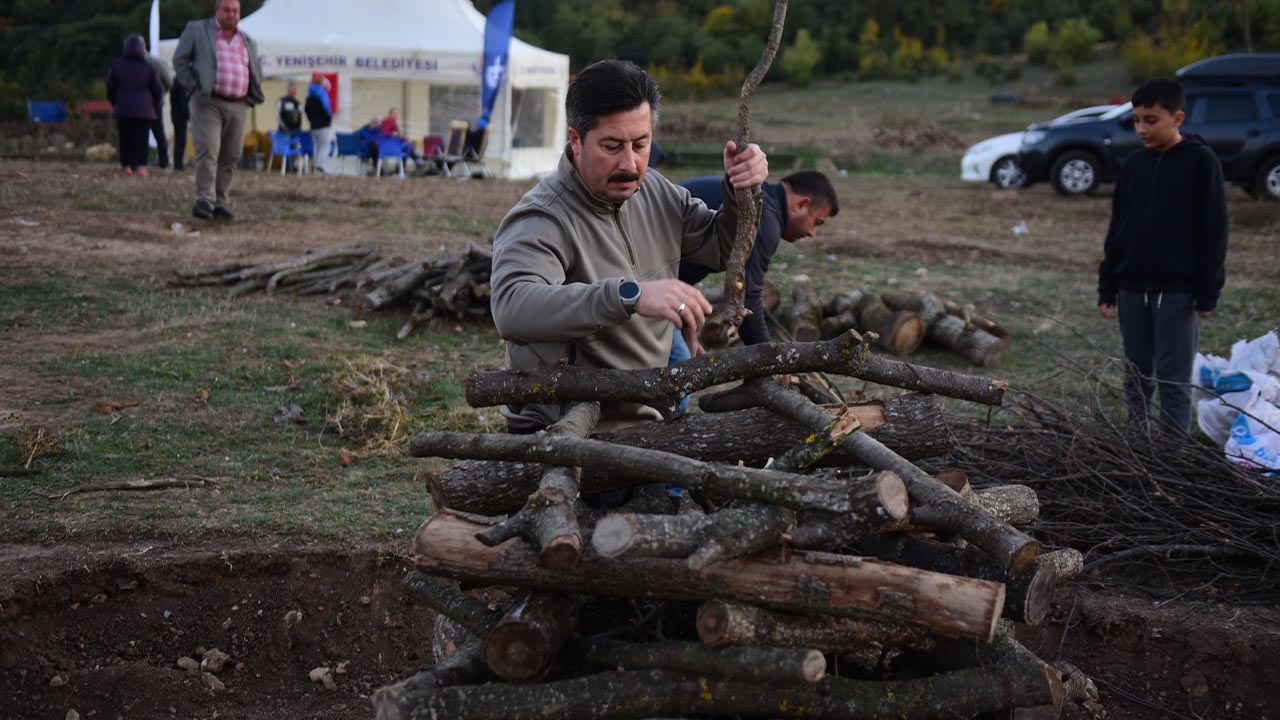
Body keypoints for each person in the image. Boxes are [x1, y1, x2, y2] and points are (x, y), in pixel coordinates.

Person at [489, 59, 768, 435]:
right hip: (569, 432)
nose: (630, 163)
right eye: (612, 146)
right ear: (575, 139)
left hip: (651, 419)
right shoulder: (544, 217)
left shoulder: (655, 191)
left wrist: (742, 191)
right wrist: (629, 296)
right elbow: (512, 309)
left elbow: (721, 248)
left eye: (641, 144)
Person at [1097, 77, 1228, 435]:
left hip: (1178, 292)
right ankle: (1138, 452)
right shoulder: (1134, 165)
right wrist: (1108, 285)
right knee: (1137, 379)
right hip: (1131, 288)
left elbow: (1214, 230)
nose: (1141, 128)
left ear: (1178, 118)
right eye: (1137, 120)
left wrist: (1207, 290)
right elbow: (1118, 227)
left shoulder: (1201, 162)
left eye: (1151, 120)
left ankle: (1173, 461)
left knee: (1173, 381)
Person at [173, 0, 264, 221]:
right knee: (209, 149)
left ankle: (221, 203)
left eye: (235, 11)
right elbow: (179, 59)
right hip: (208, 102)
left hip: (239, 104)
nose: (231, 14)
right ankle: (205, 199)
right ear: (217, 11)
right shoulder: (197, 30)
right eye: (227, 10)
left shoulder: (247, 40)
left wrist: (251, 93)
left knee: (231, 155)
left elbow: (255, 69)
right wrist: (193, 87)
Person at [106, 34, 163, 177]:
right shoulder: (149, 66)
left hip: (123, 107)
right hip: (144, 108)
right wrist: (153, 104)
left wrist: (115, 102)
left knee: (125, 138)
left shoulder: (117, 65)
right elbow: (157, 88)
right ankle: (141, 166)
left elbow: (110, 87)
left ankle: (126, 166)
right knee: (141, 138)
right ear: (142, 47)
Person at [142, 39, 173, 170]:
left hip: (150, 102)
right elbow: (168, 82)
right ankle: (163, 159)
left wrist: (159, 94)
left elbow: (167, 81)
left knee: (154, 131)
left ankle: (160, 159)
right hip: (154, 101)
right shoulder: (155, 62)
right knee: (157, 131)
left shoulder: (153, 62)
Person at [305, 75, 333, 174]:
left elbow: (306, 110)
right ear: (322, 84)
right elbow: (326, 109)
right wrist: (329, 119)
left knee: (316, 146)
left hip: (313, 126)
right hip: (323, 125)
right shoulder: (322, 94)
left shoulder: (309, 95)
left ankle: (316, 166)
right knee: (325, 145)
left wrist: (311, 120)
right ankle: (320, 164)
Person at [170, 75, 191, 171]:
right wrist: (189, 116)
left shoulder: (175, 83)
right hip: (180, 117)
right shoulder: (181, 85)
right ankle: (178, 164)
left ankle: (178, 163)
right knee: (181, 141)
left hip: (175, 115)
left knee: (179, 140)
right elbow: (183, 104)